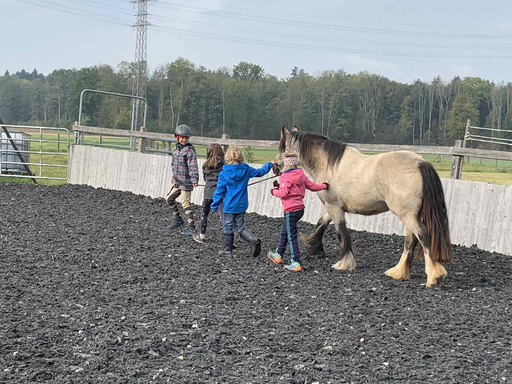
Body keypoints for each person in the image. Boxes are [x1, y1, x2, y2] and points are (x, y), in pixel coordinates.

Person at [267, 152, 329, 271]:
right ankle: (278, 254)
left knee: (291, 236)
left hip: (290, 210)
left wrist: (274, 190)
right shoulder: (301, 174)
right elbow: (312, 186)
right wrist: (324, 185)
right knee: (285, 231)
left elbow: (283, 193)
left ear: (285, 163)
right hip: (300, 209)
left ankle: (296, 262)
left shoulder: (284, 176)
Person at [211, 146, 275, 257]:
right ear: (241, 157)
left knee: (227, 226)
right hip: (241, 205)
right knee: (240, 226)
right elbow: (260, 172)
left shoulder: (224, 174)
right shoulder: (246, 169)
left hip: (229, 206)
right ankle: (252, 239)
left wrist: (214, 204)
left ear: (227, 158)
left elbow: (219, 191)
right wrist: (270, 163)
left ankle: (227, 250)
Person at [166, 124, 199, 236]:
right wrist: (173, 179)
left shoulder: (189, 151)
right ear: (177, 137)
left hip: (186, 182)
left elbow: (193, 166)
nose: (184, 139)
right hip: (178, 182)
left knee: (185, 204)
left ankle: (191, 227)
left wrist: (194, 178)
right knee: (169, 199)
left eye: (186, 138)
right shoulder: (175, 150)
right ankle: (178, 219)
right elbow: (173, 166)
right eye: (182, 137)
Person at [193, 143, 225, 244]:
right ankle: (228, 240)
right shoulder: (224, 166)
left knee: (204, 214)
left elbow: (205, 179)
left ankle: (201, 236)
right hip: (220, 194)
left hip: (208, 194)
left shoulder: (206, 166)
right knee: (223, 216)